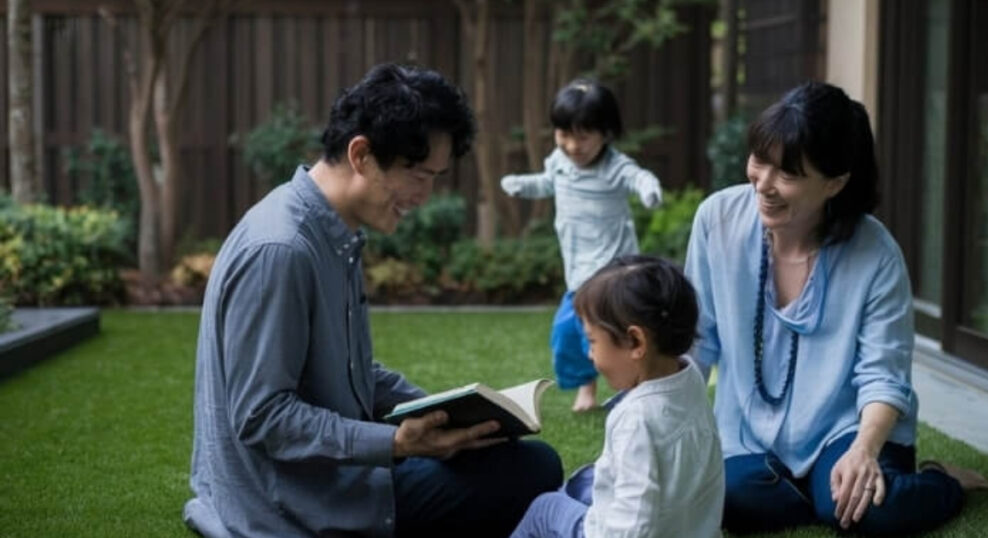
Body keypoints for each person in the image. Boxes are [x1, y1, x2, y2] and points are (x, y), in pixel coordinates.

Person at [183, 63, 563, 538]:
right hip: (290, 505)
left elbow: (351, 371)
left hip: (336, 476)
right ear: (361, 154)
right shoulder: (281, 249)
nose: (424, 196)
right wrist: (396, 443)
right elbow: (263, 418)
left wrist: (449, 413)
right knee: (530, 471)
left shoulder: (333, 232)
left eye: (435, 178)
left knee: (506, 457)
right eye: (419, 175)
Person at [683, 81, 988, 535]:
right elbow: (696, 338)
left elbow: (884, 375)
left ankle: (942, 482)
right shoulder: (716, 219)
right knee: (728, 500)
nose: (762, 184)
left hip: (849, 427)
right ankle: (820, 493)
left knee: (871, 511)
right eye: (760, 161)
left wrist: (864, 450)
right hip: (749, 431)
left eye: (787, 173)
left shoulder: (877, 254)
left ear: (835, 182)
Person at [510, 255, 725, 538]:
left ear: (636, 342)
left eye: (592, 341)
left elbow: (633, 524)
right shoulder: (689, 375)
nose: (590, 354)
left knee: (546, 508)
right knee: (582, 483)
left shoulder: (635, 420)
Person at [500, 79, 664, 412]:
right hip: (579, 275)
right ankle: (586, 389)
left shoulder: (615, 167)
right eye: (564, 135)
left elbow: (639, 176)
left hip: (615, 273)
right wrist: (521, 185)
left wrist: (650, 190)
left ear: (605, 133)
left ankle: (637, 387)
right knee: (568, 334)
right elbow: (546, 183)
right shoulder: (559, 161)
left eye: (583, 136)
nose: (573, 145)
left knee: (622, 334)